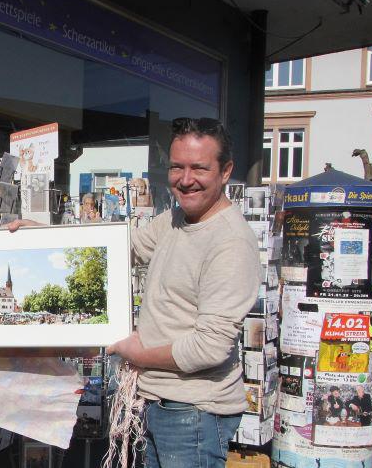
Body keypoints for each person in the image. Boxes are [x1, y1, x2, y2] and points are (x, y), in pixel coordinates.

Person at [105, 117, 260, 467]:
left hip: (194, 413)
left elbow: (210, 347)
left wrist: (139, 354)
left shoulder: (230, 243)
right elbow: (119, 248)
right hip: (162, 402)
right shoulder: (178, 220)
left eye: (199, 168)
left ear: (225, 171)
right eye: (177, 167)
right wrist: (41, 233)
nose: (185, 179)